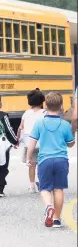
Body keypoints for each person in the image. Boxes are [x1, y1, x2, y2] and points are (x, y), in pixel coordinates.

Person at [26, 92, 75, 228]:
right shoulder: (65, 124)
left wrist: (29, 158)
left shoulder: (39, 123)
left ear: (45, 106)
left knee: (45, 188)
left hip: (44, 160)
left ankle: (48, 207)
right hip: (61, 160)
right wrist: (70, 138)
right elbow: (70, 143)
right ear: (61, 107)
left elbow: (32, 144)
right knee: (58, 189)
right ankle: (57, 219)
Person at [17, 89, 46, 193]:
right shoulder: (45, 113)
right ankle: (43, 183)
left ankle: (32, 185)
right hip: (43, 143)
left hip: (30, 144)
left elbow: (21, 127)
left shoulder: (26, 113)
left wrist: (17, 140)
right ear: (43, 100)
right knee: (42, 164)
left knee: (32, 165)